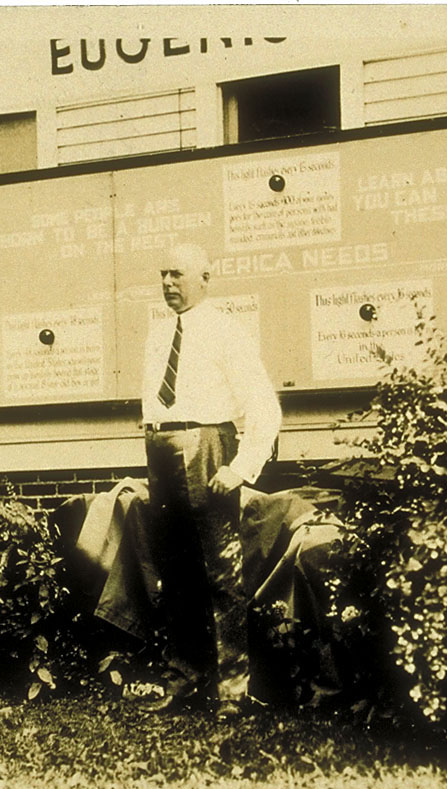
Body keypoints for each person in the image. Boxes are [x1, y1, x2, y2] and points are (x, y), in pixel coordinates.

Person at [138, 242, 282, 717]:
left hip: (207, 449)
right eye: (162, 274)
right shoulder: (158, 335)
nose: (167, 283)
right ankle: (184, 677)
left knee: (222, 574)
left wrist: (240, 467)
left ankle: (232, 691)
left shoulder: (226, 331)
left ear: (205, 278)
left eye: (177, 274)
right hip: (160, 452)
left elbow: (263, 406)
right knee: (175, 574)